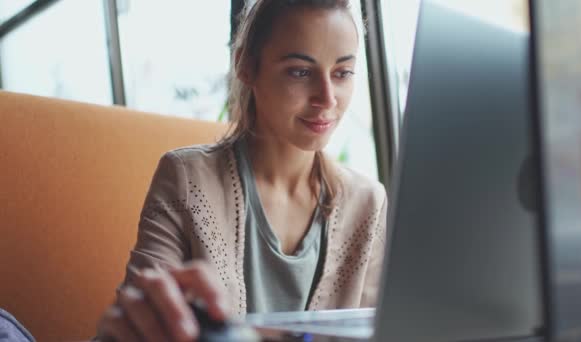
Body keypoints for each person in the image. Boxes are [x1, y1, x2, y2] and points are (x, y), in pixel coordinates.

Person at [96, 0, 387, 340]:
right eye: (300, 71)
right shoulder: (186, 179)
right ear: (246, 67)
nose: (327, 98)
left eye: (342, 73)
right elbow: (133, 329)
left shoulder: (369, 203)